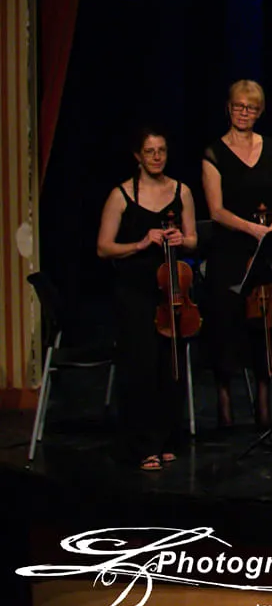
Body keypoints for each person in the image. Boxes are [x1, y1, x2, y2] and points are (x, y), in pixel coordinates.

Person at [96, 129, 198, 470]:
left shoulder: (181, 190)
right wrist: (140, 244)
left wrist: (182, 238)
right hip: (135, 292)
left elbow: (194, 240)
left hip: (171, 290)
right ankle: (139, 445)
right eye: (150, 152)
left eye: (162, 151)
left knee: (169, 367)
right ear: (138, 156)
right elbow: (104, 247)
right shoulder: (121, 195)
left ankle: (166, 438)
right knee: (140, 367)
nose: (157, 157)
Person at [199, 80, 272, 430]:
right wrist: (252, 229)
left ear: (259, 111)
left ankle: (265, 411)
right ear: (228, 108)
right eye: (238, 106)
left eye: (251, 108)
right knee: (226, 327)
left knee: (265, 329)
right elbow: (217, 210)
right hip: (230, 251)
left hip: (265, 250)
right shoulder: (214, 153)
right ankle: (225, 409)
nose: (244, 113)